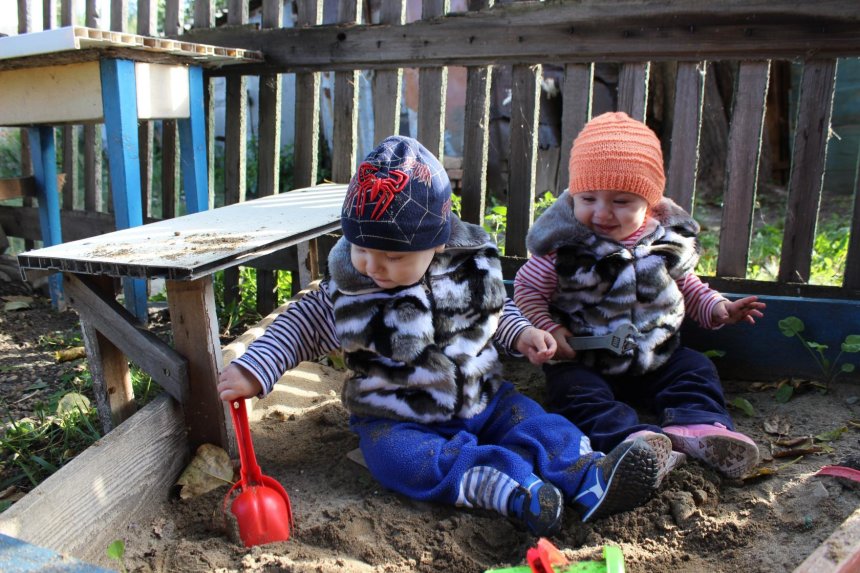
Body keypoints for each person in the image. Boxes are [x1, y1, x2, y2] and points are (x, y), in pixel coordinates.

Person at [218, 135, 670, 537]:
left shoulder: (468, 269)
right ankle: (513, 489)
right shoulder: (349, 292)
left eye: (392, 257)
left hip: (485, 401)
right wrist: (253, 369)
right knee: (399, 460)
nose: (374, 267)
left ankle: (590, 475)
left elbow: (496, 312)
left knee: (537, 422)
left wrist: (523, 333)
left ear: (437, 242)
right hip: (396, 419)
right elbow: (296, 328)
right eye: (361, 250)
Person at [514, 112, 765, 481]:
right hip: (585, 358)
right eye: (588, 198)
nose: (602, 213)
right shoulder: (561, 248)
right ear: (572, 196)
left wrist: (720, 308)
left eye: (621, 201)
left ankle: (697, 428)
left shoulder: (665, 241)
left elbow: (688, 288)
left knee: (695, 368)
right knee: (572, 392)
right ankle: (631, 443)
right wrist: (550, 328)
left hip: (656, 354)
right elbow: (527, 290)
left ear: (649, 200)